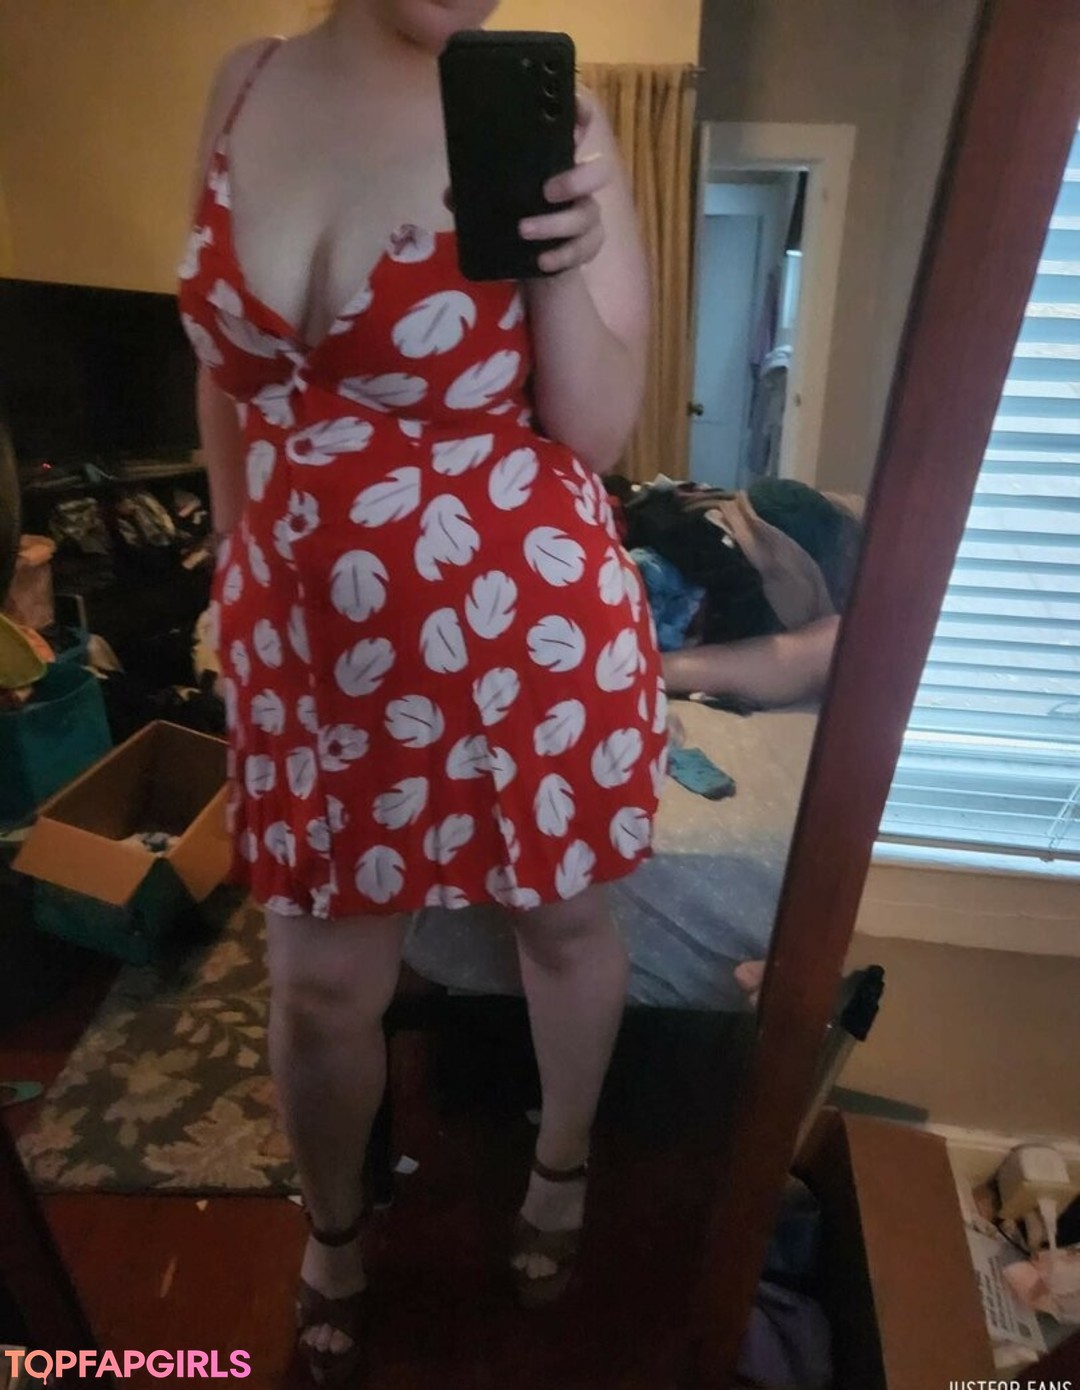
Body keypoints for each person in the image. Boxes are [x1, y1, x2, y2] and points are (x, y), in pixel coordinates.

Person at [179, 1, 666, 1381]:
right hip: (307, 644)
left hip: (523, 625)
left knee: (560, 918)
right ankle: (336, 1231)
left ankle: (559, 1169)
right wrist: (234, 554)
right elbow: (223, 378)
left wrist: (557, 260)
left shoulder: (559, 126)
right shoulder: (243, 85)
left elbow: (595, 430)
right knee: (320, 985)